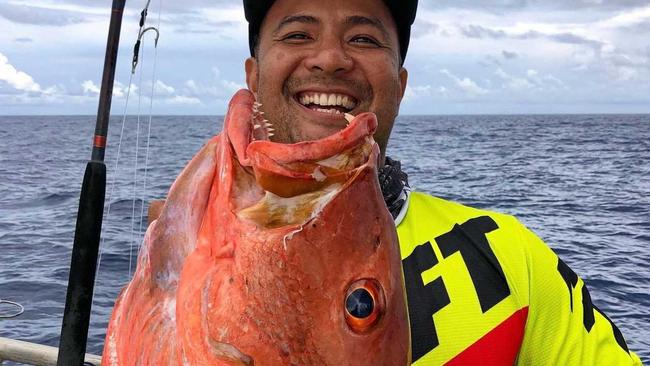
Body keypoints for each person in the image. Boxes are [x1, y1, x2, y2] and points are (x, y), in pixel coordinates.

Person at [236, 0, 643, 364]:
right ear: (254, 77)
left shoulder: (506, 254)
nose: (329, 58)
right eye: (298, 34)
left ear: (400, 84)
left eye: (363, 38)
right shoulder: (175, 248)